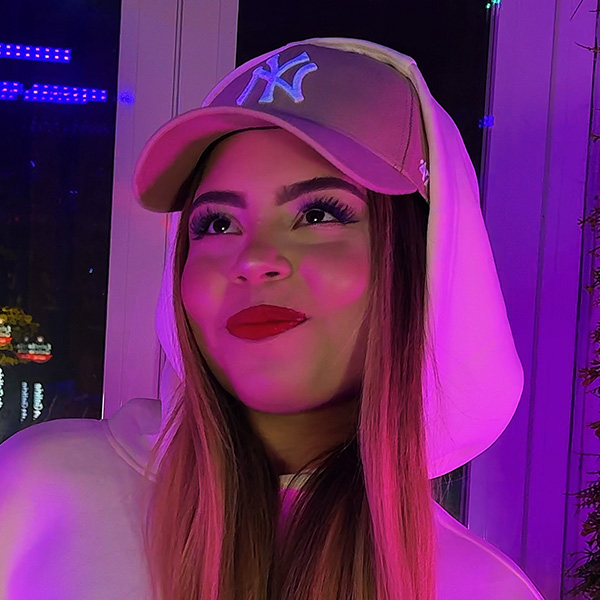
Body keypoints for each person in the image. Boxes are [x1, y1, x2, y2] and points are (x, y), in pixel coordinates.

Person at [0, 37, 546, 600]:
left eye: (319, 213)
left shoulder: (482, 588)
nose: (254, 258)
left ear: (422, 264)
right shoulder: (39, 491)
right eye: (217, 224)